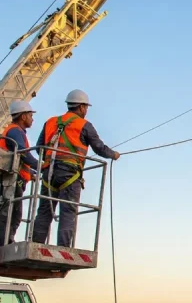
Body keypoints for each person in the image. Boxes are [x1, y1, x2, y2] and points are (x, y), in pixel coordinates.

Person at [32, 89, 119, 247]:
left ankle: (35, 245)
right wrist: (113, 155)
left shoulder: (50, 122)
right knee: (68, 211)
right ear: (81, 107)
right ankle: (63, 250)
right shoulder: (84, 125)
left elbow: (39, 148)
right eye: (86, 107)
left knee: (44, 210)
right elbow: (99, 148)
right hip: (70, 174)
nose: (86, 111)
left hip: (48, 173)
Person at [0, 101, 39, 245]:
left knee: (12, 214)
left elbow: (17, 159)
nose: (32, 118)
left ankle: (6, 241)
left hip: (14, 178)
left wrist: (32, 172)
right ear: (23, 116)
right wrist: (40, 166)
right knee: (11, 214)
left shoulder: (13, 130)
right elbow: (23, 153)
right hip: (12, 180)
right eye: (30, 115)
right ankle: (4, 243)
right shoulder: (15, 131)